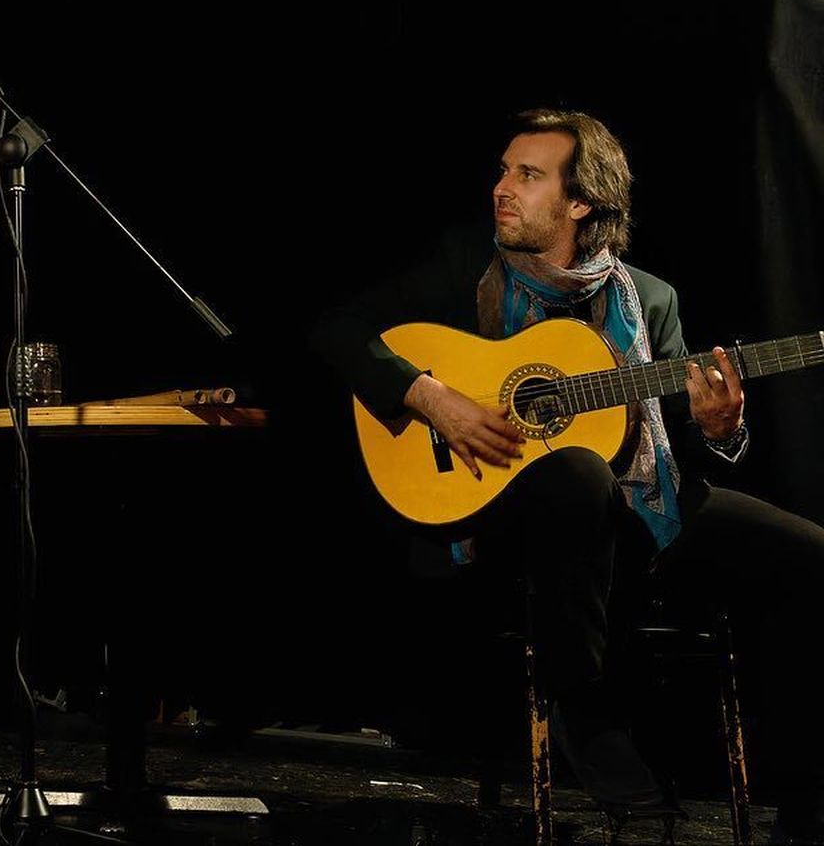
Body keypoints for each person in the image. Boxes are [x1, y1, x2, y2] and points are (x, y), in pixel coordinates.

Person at [313, 108, 824, 842]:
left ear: (581, 201)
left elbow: (681, 445)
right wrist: (433, 397)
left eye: (527, 174)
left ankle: (810, 796)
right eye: (503, 169)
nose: (502, 188)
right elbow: (337, 329)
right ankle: (582, 707)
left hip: (643, 511)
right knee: (577, 470)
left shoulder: (651, 300)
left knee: (809, 556)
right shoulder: (468, 270)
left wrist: (722, 428)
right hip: (508, 526)